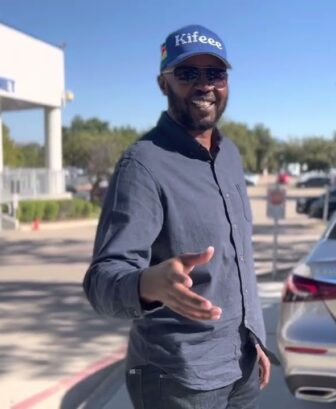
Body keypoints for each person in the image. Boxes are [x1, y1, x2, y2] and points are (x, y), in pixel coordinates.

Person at [83, 24, 271, 409]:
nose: (204, 85)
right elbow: (102, 280)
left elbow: (238, 262)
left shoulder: (230, 155)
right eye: (187, 74)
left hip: (241, 367)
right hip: (178, 379)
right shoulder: (143, 165)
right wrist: (147, 283)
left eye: (215, 73)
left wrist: (254, 338)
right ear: (163, 83)